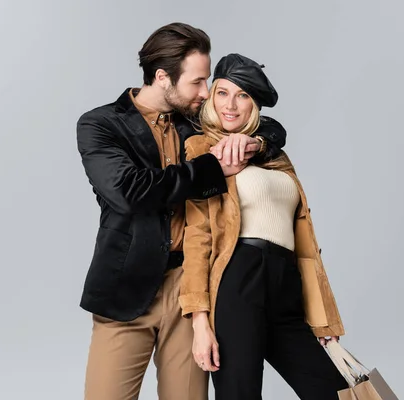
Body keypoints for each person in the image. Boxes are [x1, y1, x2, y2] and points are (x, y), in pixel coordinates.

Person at [76, 24, 287, 400]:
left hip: (192, 293)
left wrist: (251, 141)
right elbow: (130, 191)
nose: (207, 93)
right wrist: (212, 169)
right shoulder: (100, 124)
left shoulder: (195, 121)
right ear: (162, 77)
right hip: (126, 292)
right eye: (198, 82)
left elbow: (269, 126)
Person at [179, 53, 349, 400]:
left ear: (254, 105)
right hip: (239, 278)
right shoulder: (203, 149)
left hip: (285, 284)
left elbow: (302, 241)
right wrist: (199, 322)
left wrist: (321, 316)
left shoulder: (274, 154)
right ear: (211, 97)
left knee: (335, 392)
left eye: (243, 95)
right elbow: (198, 236)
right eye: (223, 93)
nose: (231, 105)